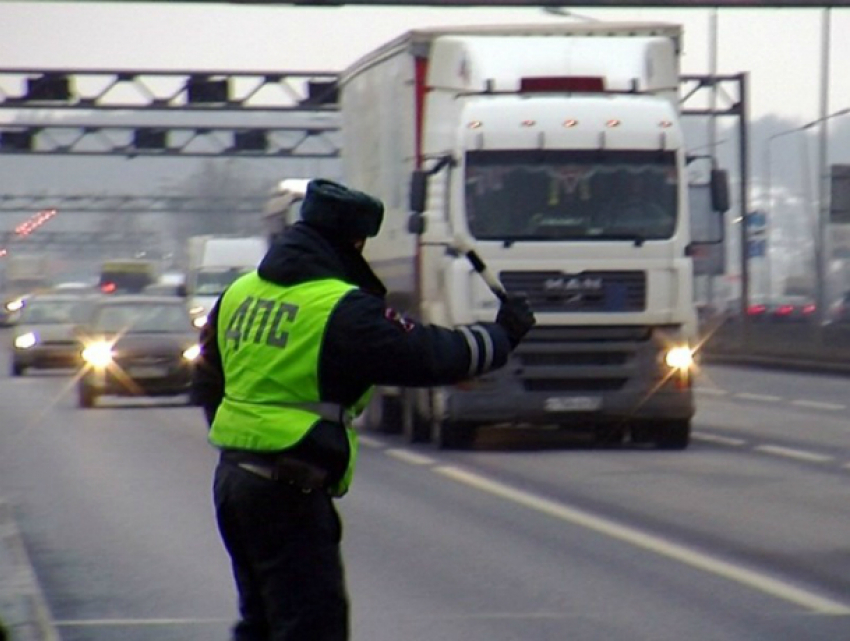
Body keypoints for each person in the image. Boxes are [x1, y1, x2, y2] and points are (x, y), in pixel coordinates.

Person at [191, 178, 536, 641]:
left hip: (234, 480)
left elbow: (207, 383)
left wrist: (241, 438)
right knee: (311, 626)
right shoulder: (338, 307)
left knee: (261, 623)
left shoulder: (239, 293)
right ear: (352, 241)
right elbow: (428, 354)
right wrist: (502, 336)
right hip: (289, 486)